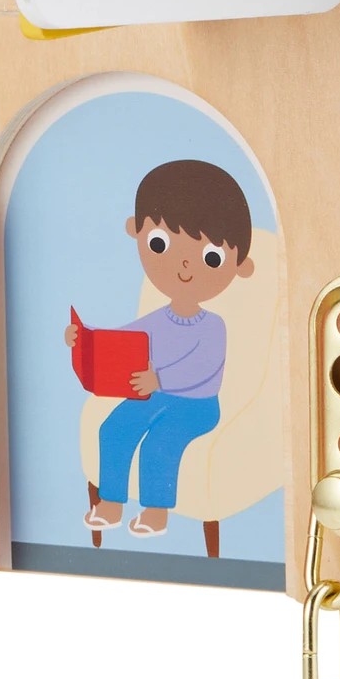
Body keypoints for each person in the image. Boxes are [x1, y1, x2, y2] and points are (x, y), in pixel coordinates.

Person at [65, 159, 255, 538]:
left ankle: (155, 513)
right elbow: (122, 338)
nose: (184, 264)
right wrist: (85, 338)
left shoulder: (213, 327)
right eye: (160, 243)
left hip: (197, 405)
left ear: (240, 266)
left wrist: (160, 379)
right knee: (114, 429)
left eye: (211, 257)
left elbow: (202, 368)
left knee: (159, 443)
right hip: (154, 394)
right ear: (136, 233)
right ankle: (111, 504)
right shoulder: (157, 319)